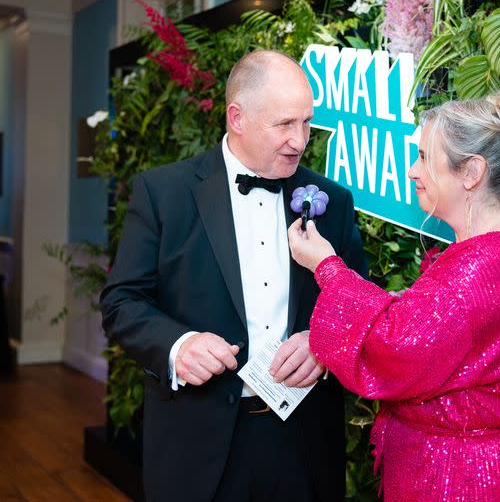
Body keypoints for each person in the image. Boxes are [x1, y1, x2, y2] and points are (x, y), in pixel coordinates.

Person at [100, 50, 367, 502]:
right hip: (196, 442)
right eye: (284, 124)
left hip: (302, 443)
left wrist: (323, 342)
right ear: (237, 118)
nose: (299, 141)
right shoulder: (163, 193)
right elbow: (121, 301)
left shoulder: (330, 199)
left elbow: (359, 301)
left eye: (306, 123)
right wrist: (177, 346)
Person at [288, 87, 500, 501]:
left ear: (471, 173)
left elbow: (394, 346)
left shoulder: (476, 266)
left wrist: (326, 266)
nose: (412, 171)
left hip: (467, 480)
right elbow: (441, 327)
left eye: (423, 158)